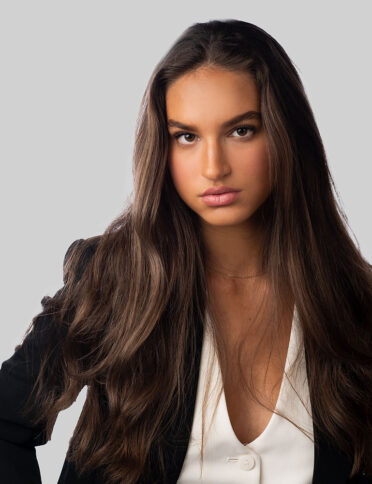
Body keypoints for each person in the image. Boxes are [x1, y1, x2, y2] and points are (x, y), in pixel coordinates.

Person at [0, 18, 371, 484]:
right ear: (164, 147)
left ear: (286, 135)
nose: (213, 166)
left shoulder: (356, 305)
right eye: (187, 136)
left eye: (241, 131)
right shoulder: (117, 280)